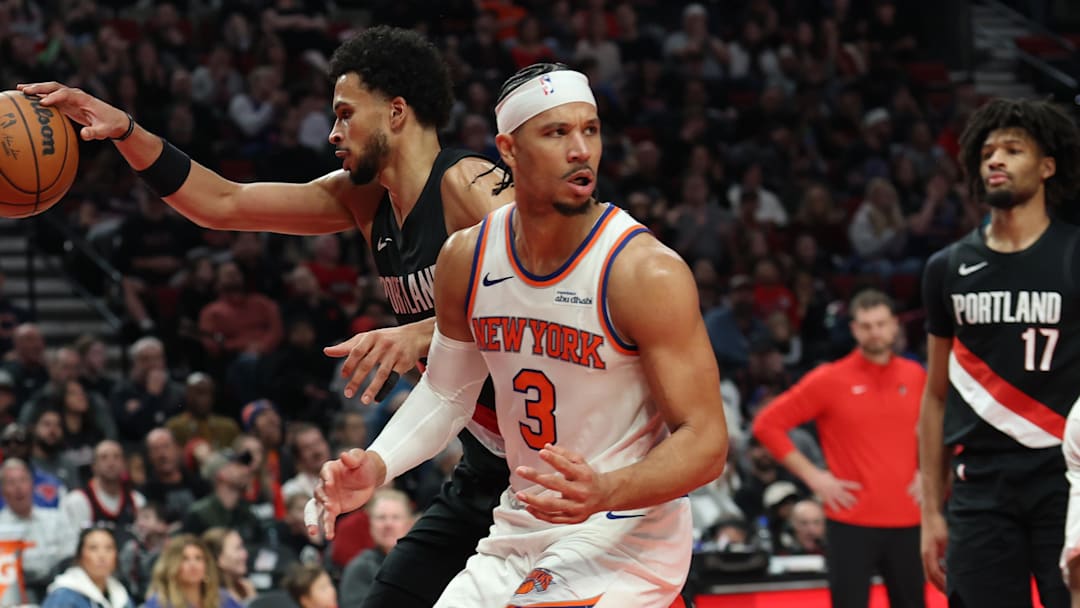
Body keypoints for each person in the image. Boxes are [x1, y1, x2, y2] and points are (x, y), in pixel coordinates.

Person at [20, 25, 516, 608]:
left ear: (397, 112)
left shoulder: (471, 184)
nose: (332, 132)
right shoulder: (364, 199)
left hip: (557, 453)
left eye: (345, 114)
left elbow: (542, 291)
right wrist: (127, 130)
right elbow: (222, 203)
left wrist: (423, 331)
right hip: (487, 460)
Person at [308, 63, 728, 607]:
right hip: (519, 525)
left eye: (590, 130)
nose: (581, 150)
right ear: (509, 149)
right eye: (557, 133)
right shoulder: (468, 257)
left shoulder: (642, 270)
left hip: (623, 529)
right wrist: (379, 464)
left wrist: (607, 489)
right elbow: (447, 392)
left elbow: (707, 443)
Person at [920, 97, 1080, 607]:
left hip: (1066, 477)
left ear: (1047, 166)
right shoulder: (946, 268)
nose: (996, 160)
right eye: (988, 151)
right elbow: (935, 397)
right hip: (979, 483)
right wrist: (930, 513)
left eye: (1013, 149)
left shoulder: (1076, 254)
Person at [752, 288, 926, 608]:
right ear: (854, 329)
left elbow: (940, 429)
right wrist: (814, 478)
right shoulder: (830, 379)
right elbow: (766, 425)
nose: (875, 332)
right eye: (866, 325)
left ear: (895, 325)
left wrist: (929, 474)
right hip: (850, 520)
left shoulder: (915, 376)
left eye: (881, 323)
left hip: (908, 518)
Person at [339, 489, 414, 606]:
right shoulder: (360, 568)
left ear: (409, 524)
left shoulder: (422, 562)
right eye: (381, 518)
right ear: (370, 524)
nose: (388, 524)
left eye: (396, 517)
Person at [42, 527, 135, 608]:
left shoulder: (120, 594)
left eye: (109, 548)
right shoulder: (63, 596)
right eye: (93, 548)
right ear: (80, 557)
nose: (102, 555)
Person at [145, 535, 236, 608]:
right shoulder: (159, 603)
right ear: (172, 566)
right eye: (185, 559)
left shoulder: (223, 599)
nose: (193, 564)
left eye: (198, 558)